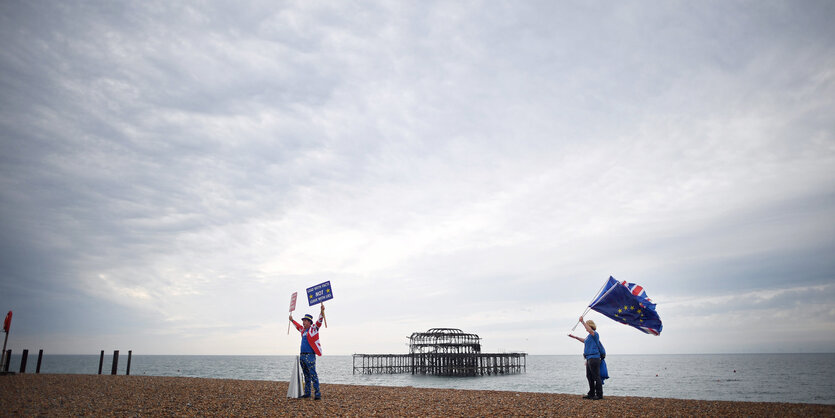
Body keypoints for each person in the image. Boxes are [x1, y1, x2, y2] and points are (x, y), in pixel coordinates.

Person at [289, 303, 325, 400]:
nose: (303, 322)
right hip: (303, 355)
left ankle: (317, 394)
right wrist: (292, 320)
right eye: (303, 321)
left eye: (305, 321)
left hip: (310, 355)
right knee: (306, 375)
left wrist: (321, 312)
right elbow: (298, 326)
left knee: (313, 374)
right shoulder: (303, 330)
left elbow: (319, 322)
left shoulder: (313, 328)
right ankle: (308, 393)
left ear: (309, 322)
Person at [568, 316, 606, 400]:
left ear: (590, 326)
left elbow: (589, 330)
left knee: (596, 376)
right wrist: (575, 337)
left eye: (587, 326)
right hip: (589, 358)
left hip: (594, 358)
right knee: (589, 376)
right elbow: (584, 340)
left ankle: (599, 395)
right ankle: (591, 393)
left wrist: (582, 322)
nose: (586, 328)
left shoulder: (595, 334)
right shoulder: (589, 336)